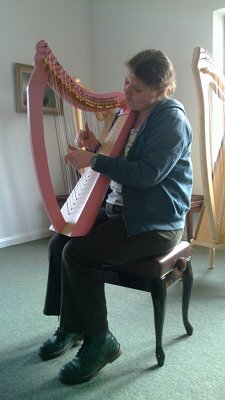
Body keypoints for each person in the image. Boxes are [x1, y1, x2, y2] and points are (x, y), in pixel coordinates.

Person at [39, 49, 193, 384]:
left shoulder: (171, 120)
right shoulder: (132, 115)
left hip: (156, 223)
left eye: (136, 87)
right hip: (124, 211)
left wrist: (92, 161)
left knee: (79, 255)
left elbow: (146, 173)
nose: (126, 91)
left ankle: (100, 341)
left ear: (160, 90)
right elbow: (118, 162)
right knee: (59, 240)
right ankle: (72, 326)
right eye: (126, 81)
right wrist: (96, 148)